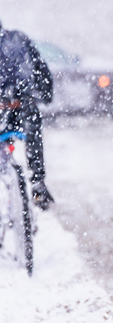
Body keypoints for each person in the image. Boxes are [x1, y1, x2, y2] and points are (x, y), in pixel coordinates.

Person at [0, 19, 55, 210]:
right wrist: (46, 94)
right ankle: (38, 184)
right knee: (33, 133)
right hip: (20, 104)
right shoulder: (18, 39)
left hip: (8, 106)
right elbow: (41, 69)